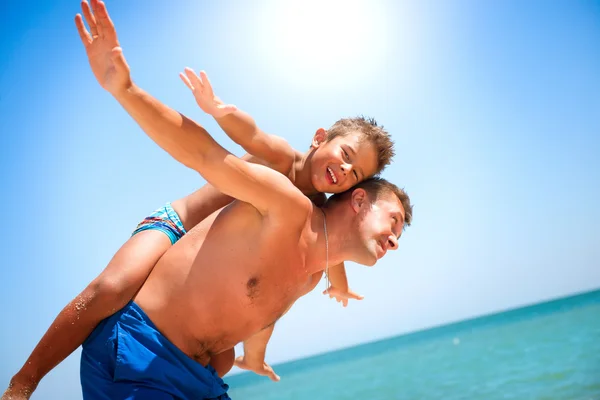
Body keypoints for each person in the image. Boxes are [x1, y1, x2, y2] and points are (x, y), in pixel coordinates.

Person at [2, 1, 413, 399]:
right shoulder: (282, 161)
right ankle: (25, 381)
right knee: (113, 287)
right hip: (178, 223)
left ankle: (230, 365)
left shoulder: (316, 216)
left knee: (222, 356)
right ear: (320, 137)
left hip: (206, 284)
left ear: (354, 193)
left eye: (355, 174)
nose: (343, 171)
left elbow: (331, 257)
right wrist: (211, 107)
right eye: (344, 156)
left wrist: (340, 288)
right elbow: (224, 142)